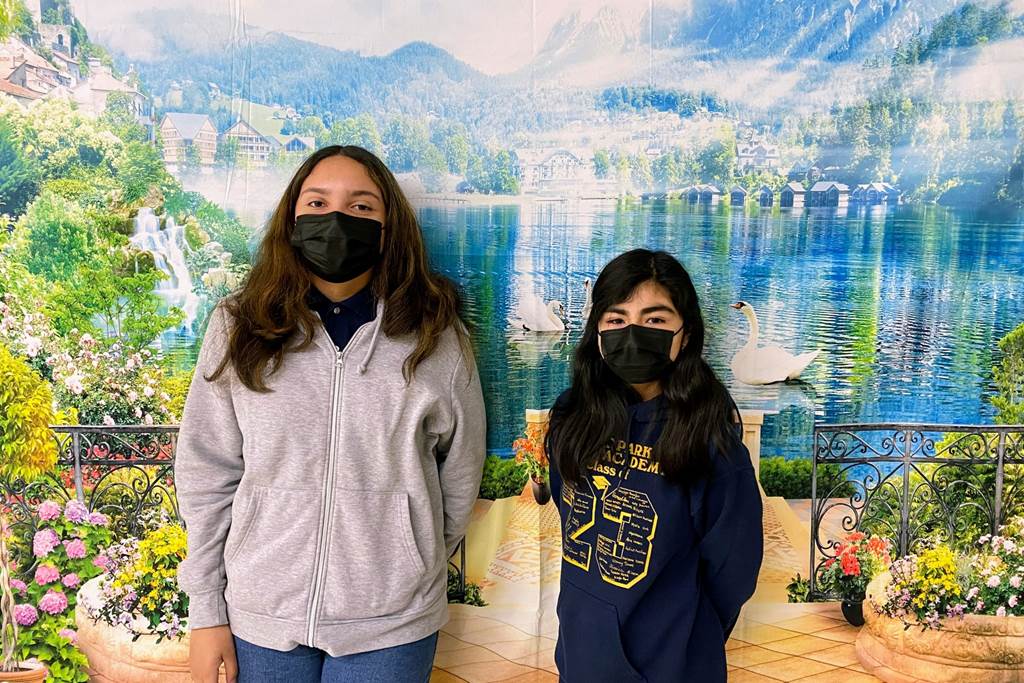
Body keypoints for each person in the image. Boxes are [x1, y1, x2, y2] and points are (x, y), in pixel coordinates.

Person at [174, 145, 486, 683]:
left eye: (362, 207)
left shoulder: (436, 339)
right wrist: (206, 612)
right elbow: (206, 475)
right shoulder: (237, 326)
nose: (337, 220)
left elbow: (459, 476)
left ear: (389, 228)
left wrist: (403, 557)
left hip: (392, 627)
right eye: (317, 203)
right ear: (292, 219)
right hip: (261, 616)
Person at [546, 248, 763, 682]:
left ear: (685, 332)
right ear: (597, 331)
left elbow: (732, 572)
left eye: (656, 320)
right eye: (616, 318)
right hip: (581, 655)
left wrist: (681, 636)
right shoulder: (572, 416)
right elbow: (567, 506)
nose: (633, 333)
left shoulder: (710, 442)